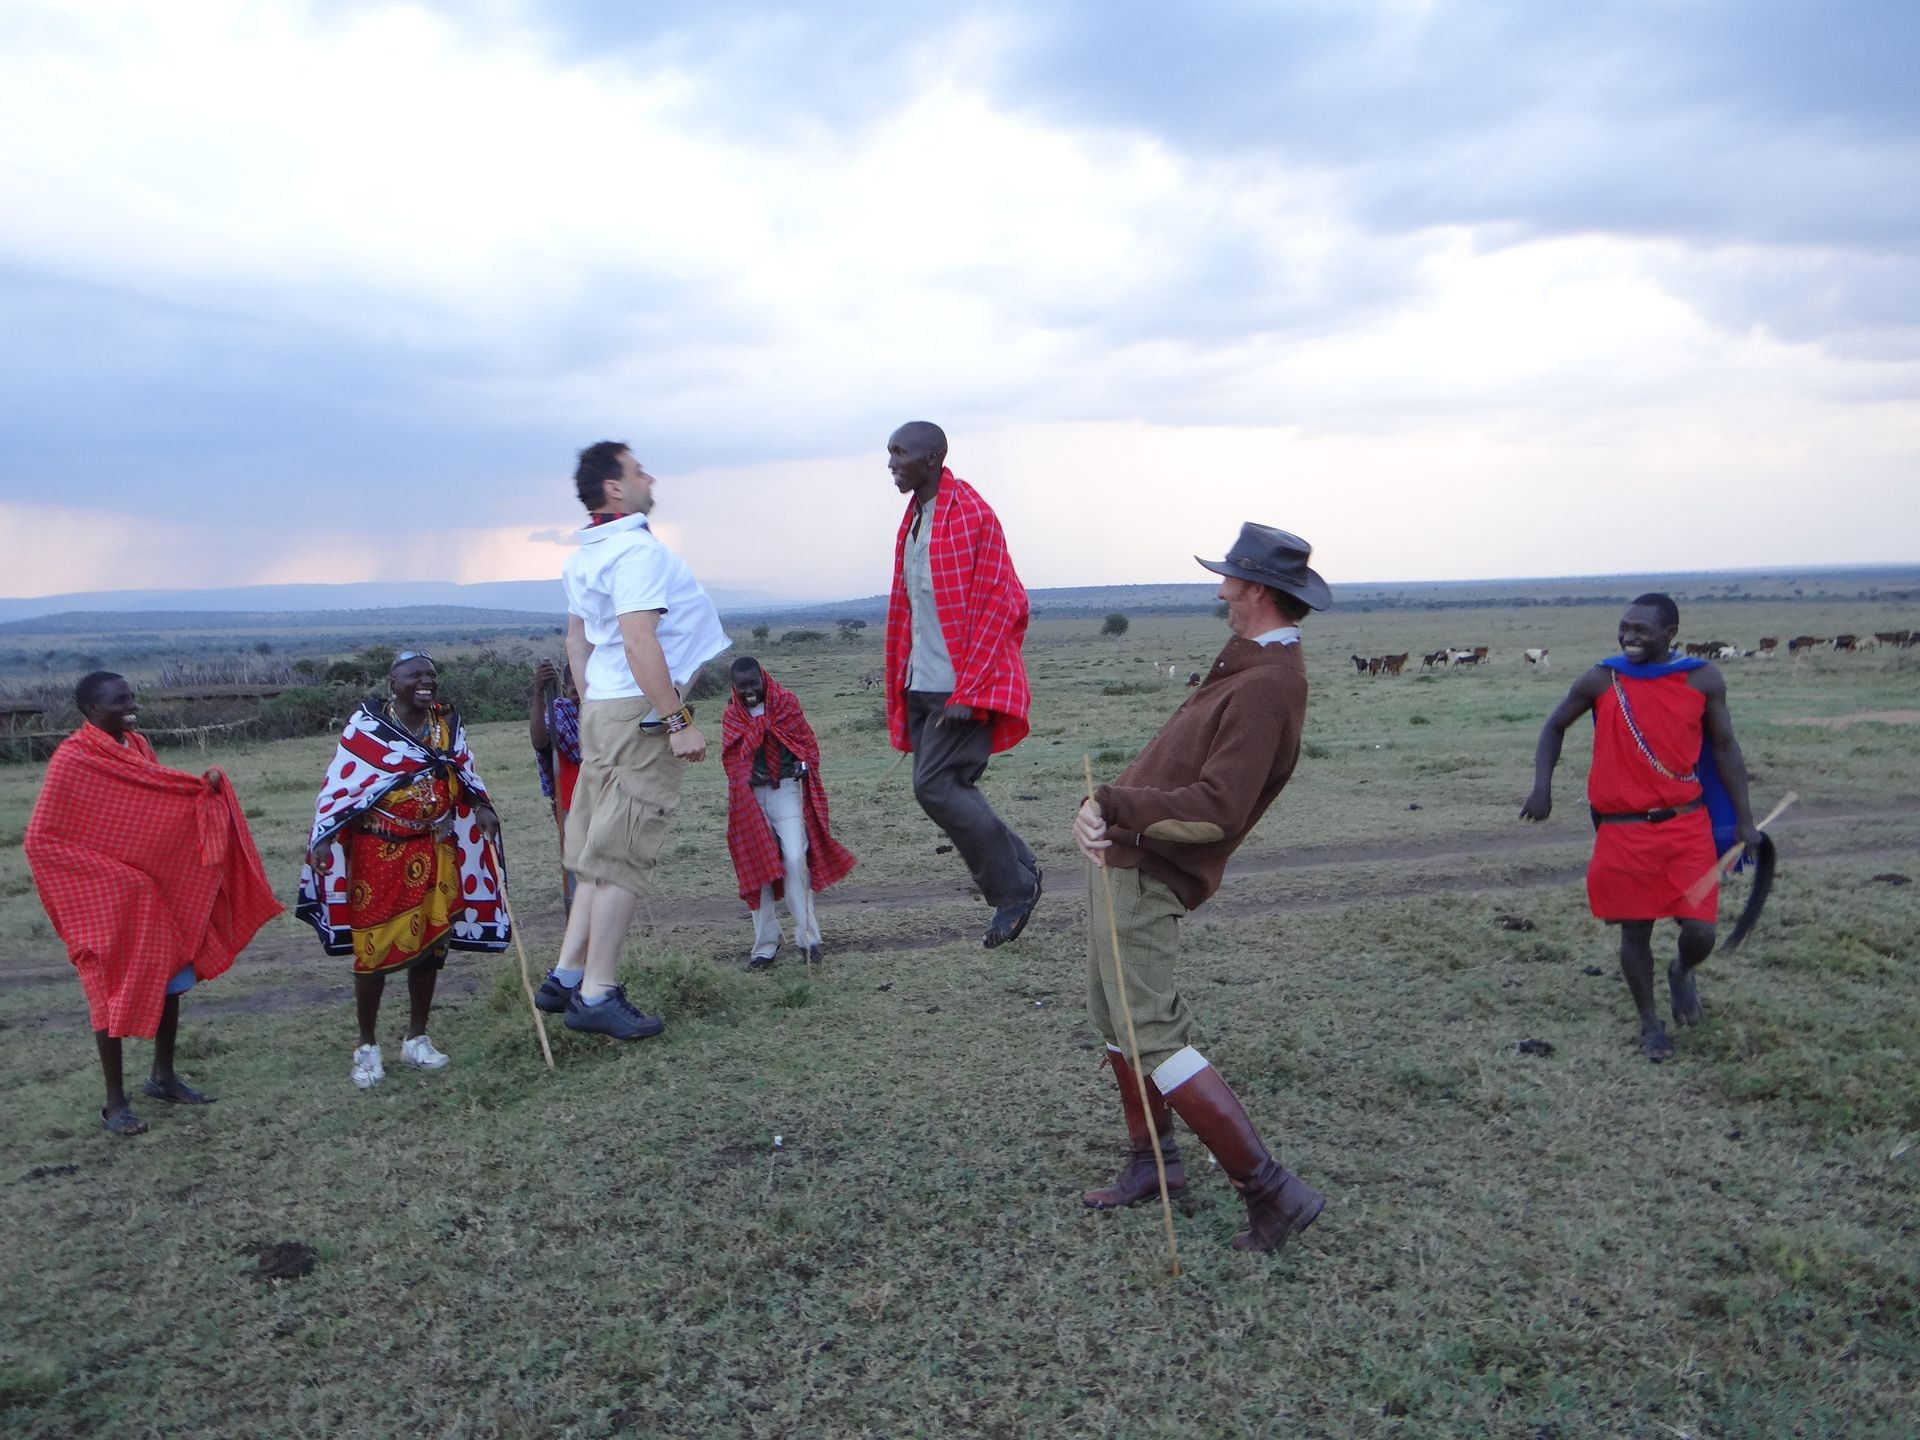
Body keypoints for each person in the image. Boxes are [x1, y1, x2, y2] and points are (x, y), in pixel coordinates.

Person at [1073, 524, 1331, 1253]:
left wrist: (1116, 808)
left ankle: (1270, 1190)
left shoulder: (1266, 685)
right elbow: (1176, 774)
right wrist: (1097, 813)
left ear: (1253, 589)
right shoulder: (1248, 670)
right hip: (1123, 860)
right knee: (1118, 1021)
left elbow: (1217, 810)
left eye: (1228, 579)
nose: (1219, 590)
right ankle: (1154, 1167)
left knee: (1150, 1031)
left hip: (1146, 871)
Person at [25, 672, 281, 1135]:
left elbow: (156, 809)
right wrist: (118, 880)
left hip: (151, 892)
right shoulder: (72, 759)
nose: (130, 705)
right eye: (118, 700)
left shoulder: (137, 746)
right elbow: (41, 839)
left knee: (170, 979)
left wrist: (204, 792)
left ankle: (163, 1077)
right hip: (106, 895)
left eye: (130, 696)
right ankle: (115, 1103)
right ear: (90, 711)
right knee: (109, 988)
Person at [533, 440, 730, 1038]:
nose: (650, 476)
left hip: (603, 704)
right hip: (638, 707)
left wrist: (595, 702)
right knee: (622, 850)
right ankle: (598, 991)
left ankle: (568, 973)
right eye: (638, 469)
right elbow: (641, 640)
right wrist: (677, 721)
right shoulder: (635, 551)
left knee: (598, 846)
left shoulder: (585, 553)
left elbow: (576, 642)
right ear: (615, 488)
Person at [1521, 593, 1761, 1062]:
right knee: (1635, 934)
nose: (1629, 637)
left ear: (1670, 633)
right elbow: (1554, 725)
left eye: (1641, 630)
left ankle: (1681, 972)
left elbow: (1726, 747)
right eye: (1624, 627)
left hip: (1687, 824)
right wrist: (1541, 787)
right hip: (1622, 829)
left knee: (1700, 932)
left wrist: (1745, 819)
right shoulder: (1601, 677)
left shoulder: (1702, 678)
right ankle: (1651, 1025)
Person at [295, 651, 507, 1089]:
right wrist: (322, 838)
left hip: (436, 847)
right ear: (394, 683)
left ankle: (417, 1038)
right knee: (372, 952)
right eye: (415, 676)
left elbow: (464, 772)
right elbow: (340, 789)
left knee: (432, 947)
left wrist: (482, 806)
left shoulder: (446, 726)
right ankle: (367, 1046)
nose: (426, 682)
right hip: (380, 853)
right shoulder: (366, 731)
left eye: (431, 675)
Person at [883, 420, 1041, 947]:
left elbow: (1005, 603)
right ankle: (1018, 865)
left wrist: (970, 690)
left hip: (961, 686)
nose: (890, 464)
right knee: (939, 787)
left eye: (899, 453)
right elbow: (915, 608)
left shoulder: (972, 514)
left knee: (936, 786)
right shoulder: (916, 519)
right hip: (924, 683)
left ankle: (1013, 890)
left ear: (931, 459)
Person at [720, 656, 856, 968]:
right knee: (760, 868)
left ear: (763, 678)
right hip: (751, 798)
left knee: (795, 858)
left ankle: (809, 936)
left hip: (787, 791)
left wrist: (802, 764)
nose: (749, 691)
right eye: (742, 687)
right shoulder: (732, 715)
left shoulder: (786, 704)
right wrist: (745, 776)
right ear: (734, 687)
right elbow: (731, 760)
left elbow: (807, 746)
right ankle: (765, 947)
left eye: (753, 684)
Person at [529, 658, 582, 910]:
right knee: (576, 866)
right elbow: (540, 741)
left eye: (586, 689)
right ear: (564, 689)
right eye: (575, 691)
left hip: (608, 799)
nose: (580, 697)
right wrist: (539, 692)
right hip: (571, 802)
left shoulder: (606, 712)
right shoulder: (560, 712)